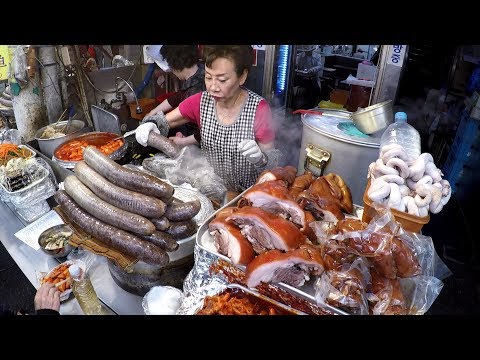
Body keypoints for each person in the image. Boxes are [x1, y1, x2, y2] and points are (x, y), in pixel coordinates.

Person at [135, 45, 281, 193]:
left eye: (222, 80)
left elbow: (273, 163)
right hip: (211, 191)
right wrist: (151, 124)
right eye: (208, 77)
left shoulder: (258, 108)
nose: (213, 87)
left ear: (242, 76)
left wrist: (261, 158)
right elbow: (164, 121)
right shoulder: (200, 101)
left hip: (246, 196)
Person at [145, 45, 206, 139]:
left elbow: (178, 119)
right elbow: (177, 97)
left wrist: (153, 123)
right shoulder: (200, 71)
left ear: (176, 65)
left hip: (197, 142)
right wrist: (152, 112)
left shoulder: (195, 91)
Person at [294, 45, 324, 109]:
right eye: (306, 51)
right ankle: (300, 108)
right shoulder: (300, 56)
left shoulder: (317, 56)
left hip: (313, 79)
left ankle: (310, 108)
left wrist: (313, 69)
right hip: (302, 78)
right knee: (301, 95)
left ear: (312, 50)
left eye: (308, 51)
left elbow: (319, 66)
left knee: (315, 92)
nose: (307, 52)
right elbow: (298, 66)